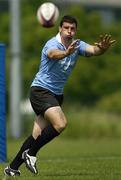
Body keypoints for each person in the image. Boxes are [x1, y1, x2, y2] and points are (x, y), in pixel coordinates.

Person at [4, 15, 116, 177]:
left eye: (73, 29)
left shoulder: (78, 44)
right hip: (40, 91)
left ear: (75, 31)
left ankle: (13, 167)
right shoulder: (52, 43)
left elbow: (93, 50)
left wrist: (102, 49)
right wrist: (66, 53)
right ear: (60, 29)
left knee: (37, 135)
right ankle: (31, 154)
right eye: (66, 28)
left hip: (56, 95)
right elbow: (52, 54)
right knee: (61, 123)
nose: (69, 31)